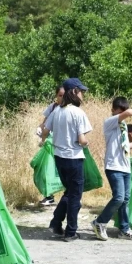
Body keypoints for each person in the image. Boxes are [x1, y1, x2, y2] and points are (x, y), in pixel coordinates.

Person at [91, 97, 132, 241]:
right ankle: (99, 222)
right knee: (118, 197)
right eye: (121, 112)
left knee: (125, 199)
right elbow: (128, 113)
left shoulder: (123, 126)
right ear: (113, 110)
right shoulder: (110, 122)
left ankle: (124, 229)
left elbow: (124, 146)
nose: (124, 114)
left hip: (125, 167)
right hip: (113, 166)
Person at [42, 78, 92, 242]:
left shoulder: (56, 111)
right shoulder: (78, 113)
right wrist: (86, 143)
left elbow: (45, 130)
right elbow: (81, 139)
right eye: (81, 91)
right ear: (74, 92)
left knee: (69, 192)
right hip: (74, 158)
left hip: (59, 157)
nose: (82, 95)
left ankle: (56, 223)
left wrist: (44, 141)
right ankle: (71, 232)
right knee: (75, 196)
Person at [37, 86, 66, 207]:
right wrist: (41, 134)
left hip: (64, 145)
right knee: (48, 170)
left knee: (65, 171)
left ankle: (70, 196)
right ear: (56, 96)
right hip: (50, 144)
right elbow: (44, 123)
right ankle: (49, 196)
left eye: (64, 95)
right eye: (60, 95)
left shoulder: (70, 109)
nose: (62, 98)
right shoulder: (53, 107)